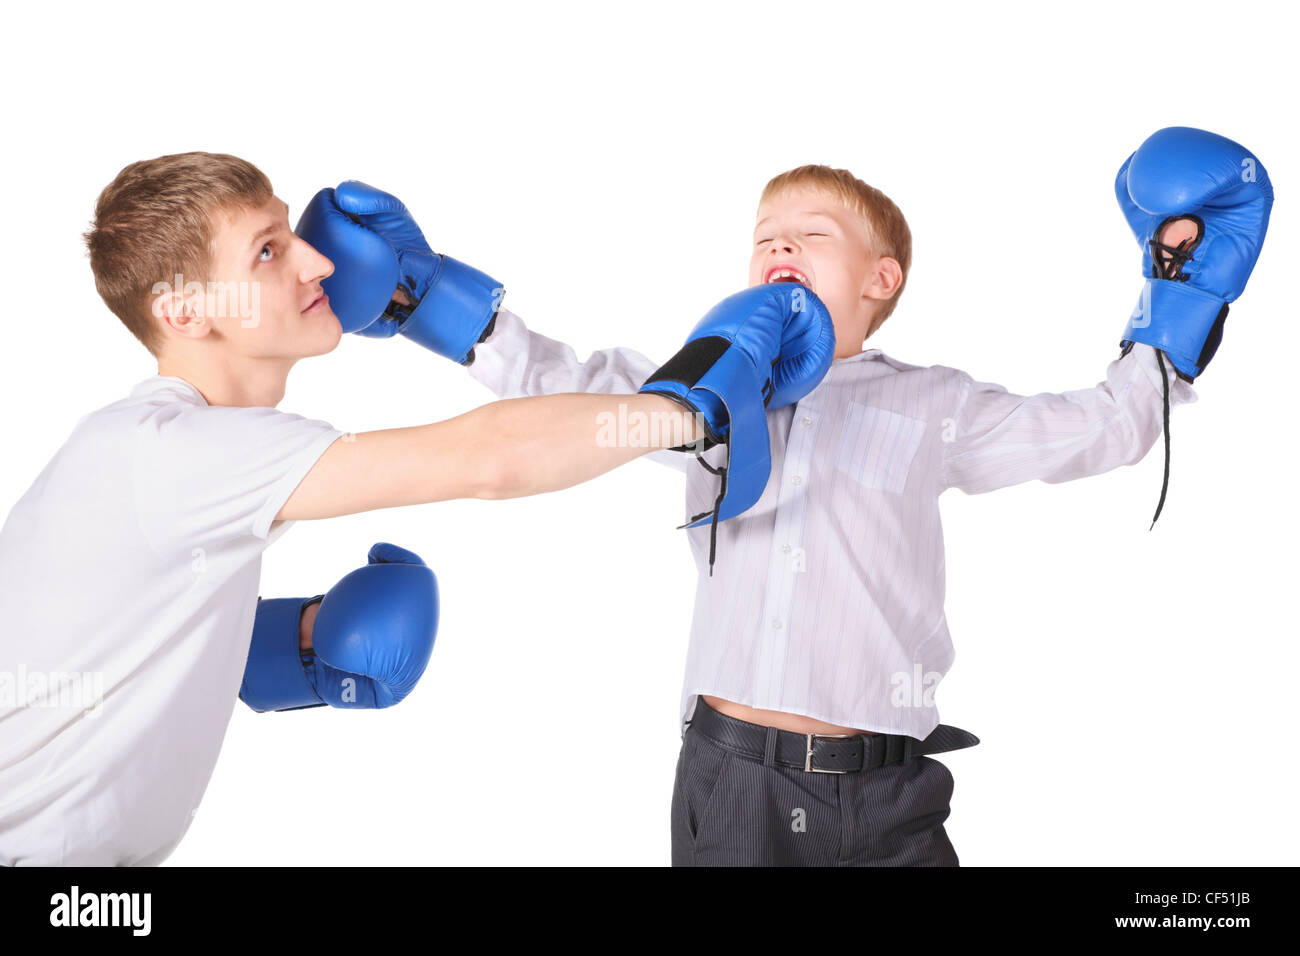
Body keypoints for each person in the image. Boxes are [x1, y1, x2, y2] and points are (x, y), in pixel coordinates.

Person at [318, 126, 1271, 865]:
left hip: (887, 789)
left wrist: (1182, 286)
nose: (781, 246)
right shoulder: (694, 398)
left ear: (880, 280)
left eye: (812, 236)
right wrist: (420, 295)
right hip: (732, 779)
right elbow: (555, 383)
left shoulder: (932, 403)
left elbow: (1103, 428)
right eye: (765, 237)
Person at [0, 151, 826, 865]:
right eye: (266, 253)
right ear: (183, 312)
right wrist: (696, 408)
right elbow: (488, 460)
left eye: (290, 232)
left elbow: (104, 638)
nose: (316, 263)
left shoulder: (167, 455)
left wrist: (297, 646)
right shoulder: (175, 452)